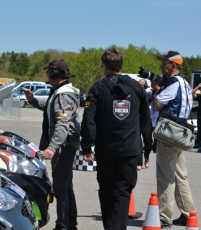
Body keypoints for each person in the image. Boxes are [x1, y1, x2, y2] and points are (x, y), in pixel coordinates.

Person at [80, 47, 150, 230]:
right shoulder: (136, 87)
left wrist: (86, 147)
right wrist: (145, 149)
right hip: (129, 151)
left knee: (106, 192)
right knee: (122, 193)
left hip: (106, 151)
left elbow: (88, 120)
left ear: (104, 66)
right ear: (121, 65)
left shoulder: (98, 87)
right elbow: (145, 121)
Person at [22, 59, 80, 230]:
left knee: (61, 188)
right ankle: (70, 224)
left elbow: (63, 124)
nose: (47, 74)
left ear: (55, 74)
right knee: (66, 187)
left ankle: (63, 226)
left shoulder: (64, 94)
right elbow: (51, 109)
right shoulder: (58, 92)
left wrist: (52, 148)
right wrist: (32, 100)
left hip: (63, 147)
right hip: (63, 146)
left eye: (49, 72)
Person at [150, 51, 195, 229]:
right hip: (180, 134)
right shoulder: (184, 83)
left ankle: (164, 217)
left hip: (169, 135)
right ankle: (188, 213)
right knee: (180, 176)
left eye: (165, 63)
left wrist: (155, 90)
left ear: (174, 65)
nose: (162, 65)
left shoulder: (173, 84)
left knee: (165, 177)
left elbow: (157, 104)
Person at [137, 79, 154, 170]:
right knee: (137, 140)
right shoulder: (134, 95)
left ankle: (147, 157)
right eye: (139, 85)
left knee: (148, 142)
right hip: (137, 119)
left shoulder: (148, 95)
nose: (140, 87)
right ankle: (139, 162)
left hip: (147, 120)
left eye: (142, 85)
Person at [191, 83, 201, 151]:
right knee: (199, 128)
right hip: (200, 115)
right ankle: (199, 143)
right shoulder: (200, 96)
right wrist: (198, 86)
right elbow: (191, 93)